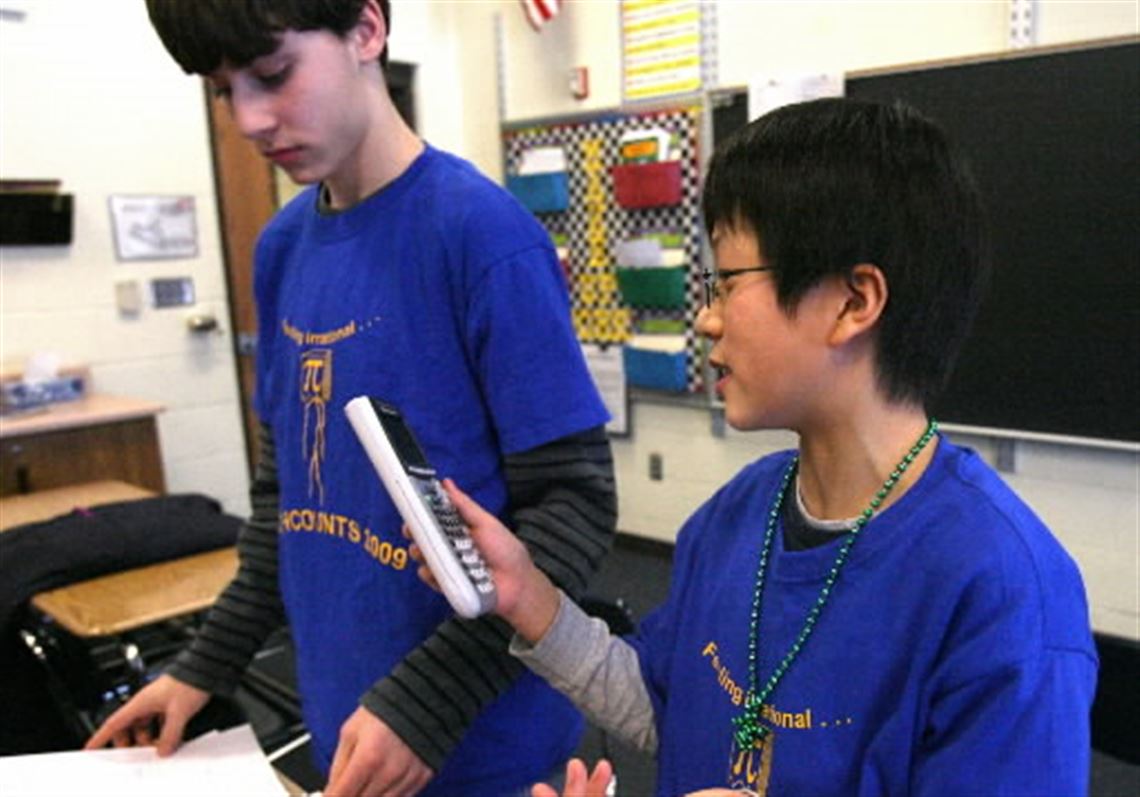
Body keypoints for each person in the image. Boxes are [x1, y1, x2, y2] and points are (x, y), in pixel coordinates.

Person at [420, 98, 1099, 796]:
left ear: (853, 302)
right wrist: (527, 594)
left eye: (726, 282)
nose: (706, 318)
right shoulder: (736, 514)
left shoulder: (1003, 591)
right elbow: (672, 708)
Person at [86, 2, 617, 795]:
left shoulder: (482, 235)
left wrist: (428, 704)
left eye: (272, 74)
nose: (250, 119)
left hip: (482, 742)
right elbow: (286, 502)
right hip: (349, 726)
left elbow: (575, 506)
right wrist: (204, 664)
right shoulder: (281, 248)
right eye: (224, 90)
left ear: (367, 30)